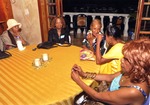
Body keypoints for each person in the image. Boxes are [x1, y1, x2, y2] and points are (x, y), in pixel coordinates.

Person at [71, 38, 150, 105]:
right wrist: (84, 74)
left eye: (126, 59)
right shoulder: (132, 72)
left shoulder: (133, 91)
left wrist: (78, 80)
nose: (121, 60)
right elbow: (109, 77)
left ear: (138, 66)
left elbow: (97, 96)